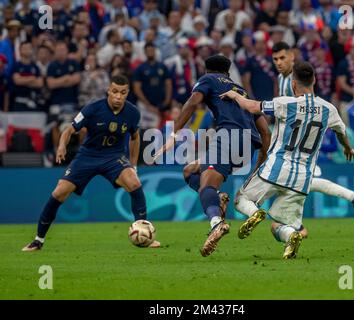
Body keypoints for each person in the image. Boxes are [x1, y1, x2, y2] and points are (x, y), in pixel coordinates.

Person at [220, 61, 354, 259]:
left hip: (276, 169)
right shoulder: (329, 109)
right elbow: (341, 132)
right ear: (315, 80)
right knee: (281, 225)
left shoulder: (285, 103)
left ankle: (255, 213)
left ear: (294, 84)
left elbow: (252, 107)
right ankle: (291, 236)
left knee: (241, 199)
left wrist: (234, 95)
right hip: (302, 179)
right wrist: (348, 148)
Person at [22, 75, 160, 251]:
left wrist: (133, 166)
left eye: (123, 93)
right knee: (59, 193)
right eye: (115, 91)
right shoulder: (93, 108)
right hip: (88, 156)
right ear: (109, 91)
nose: (118, 96)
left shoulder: (133, 113)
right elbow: (69, 129)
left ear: (127, 93)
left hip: (113, 157)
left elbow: (135, 138)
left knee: (135, 183)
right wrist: (61, 146)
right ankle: (38, 240)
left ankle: (144, 233)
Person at [154, 55, 271, 257]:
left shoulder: (208, 80)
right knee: (190, 170)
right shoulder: (241, 90)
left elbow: (192, 102)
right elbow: (265, 131)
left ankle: (217, 224)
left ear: (206, 70)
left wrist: (174, 134)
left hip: (228, 137)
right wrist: (261, 159)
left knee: (207, 185)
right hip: (247, 146)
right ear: (227, 72)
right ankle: (218, 199)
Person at [272, 42, 354, 230]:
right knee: (301, 183)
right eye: (275, 59)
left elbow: (306, 108)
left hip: (299, 141)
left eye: (282, 58)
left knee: (291, 182)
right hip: (288, 141)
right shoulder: (281, 78)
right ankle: (353, 197)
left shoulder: (300, 76)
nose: (279, 62)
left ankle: (296, 226)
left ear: (292, 56)